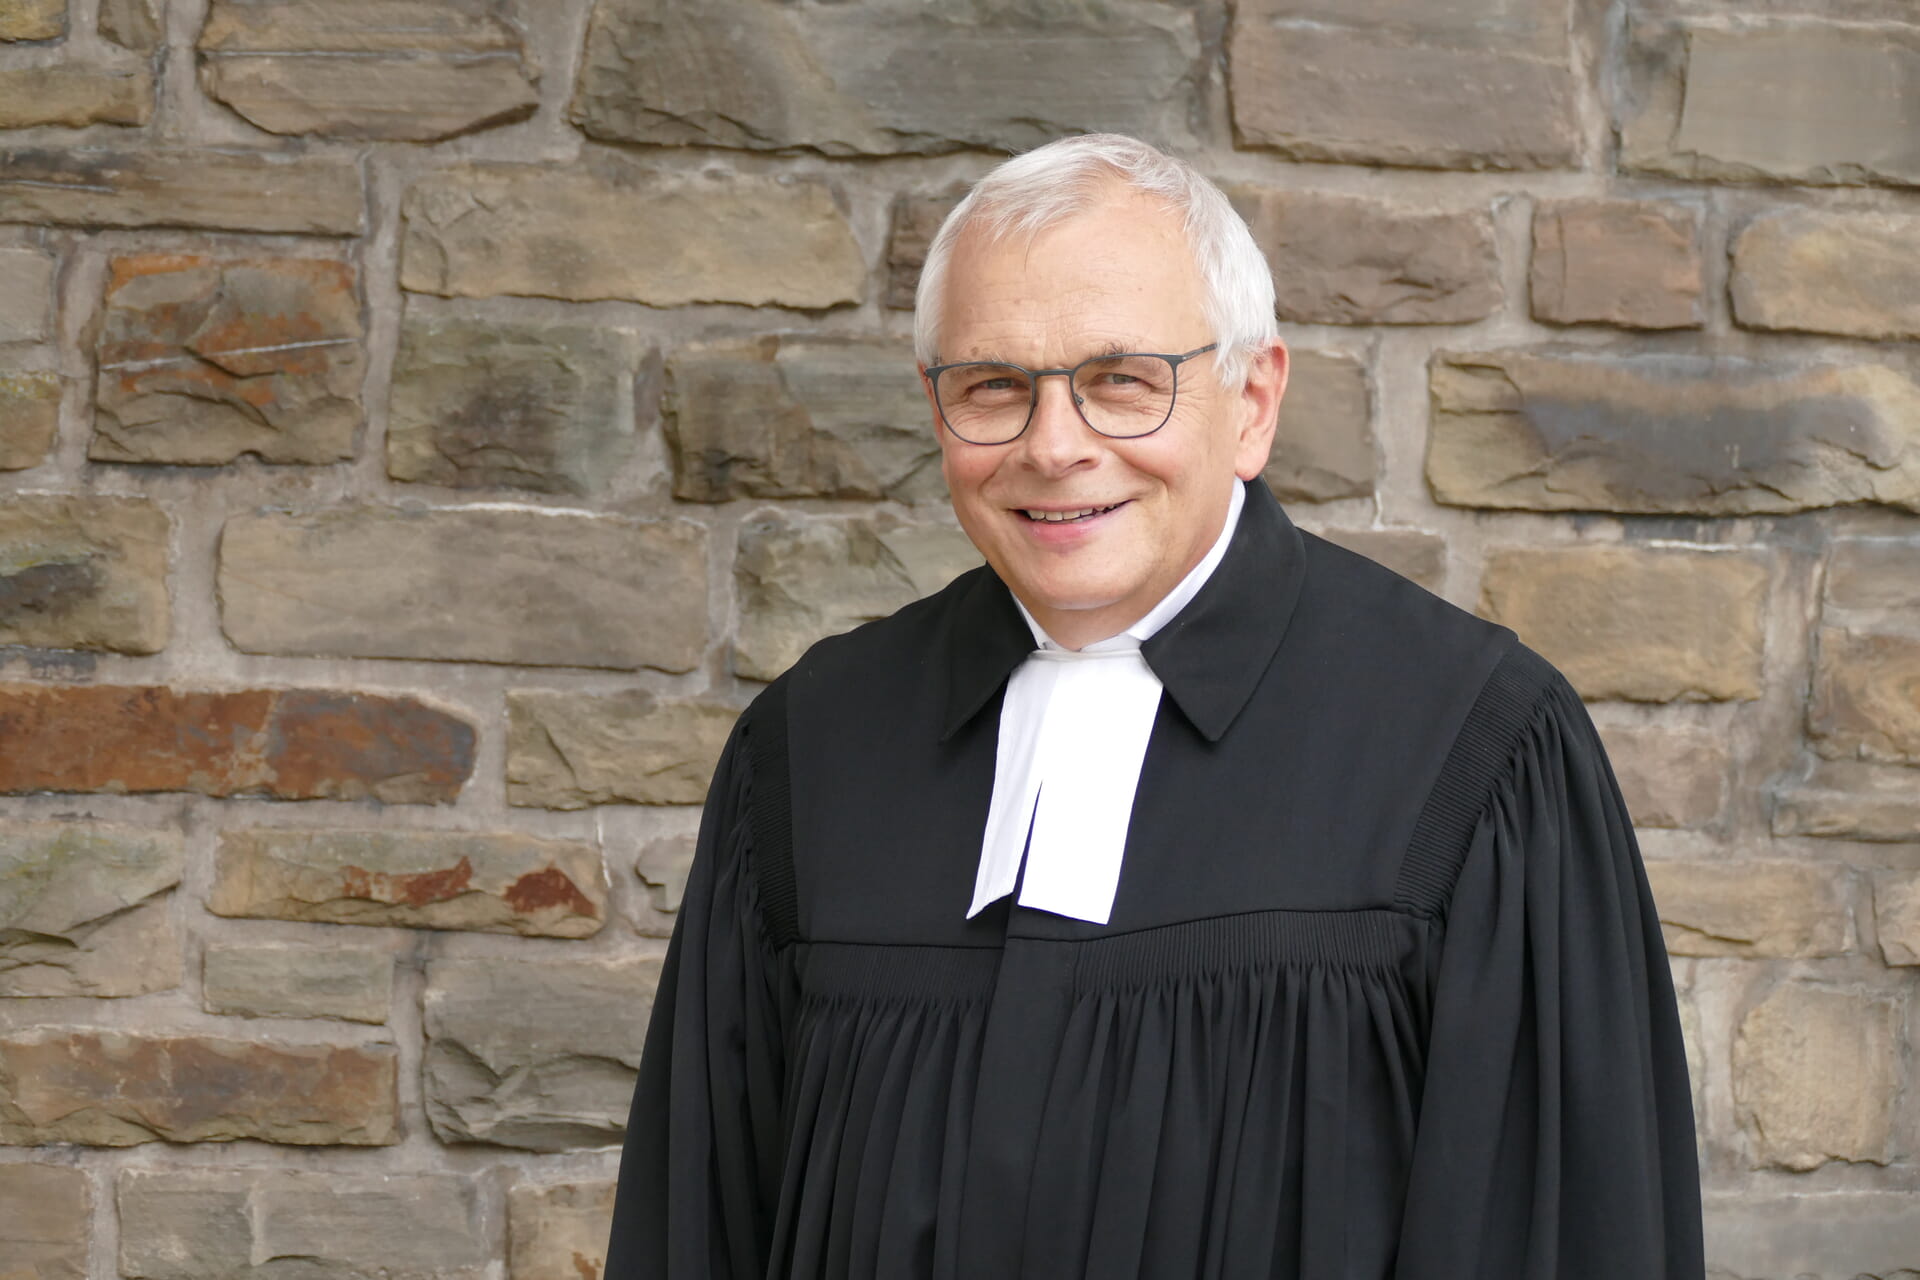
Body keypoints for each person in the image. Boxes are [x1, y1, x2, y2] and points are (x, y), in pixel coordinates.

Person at [605, 134, 1703, 1279]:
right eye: (994, 386)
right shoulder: (810, 750)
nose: (1054, 446)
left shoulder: (1471, 749)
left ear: (1253, 401)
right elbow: (696, 1234)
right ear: (936, 411)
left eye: (1122, 380)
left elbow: (1564, 1237)